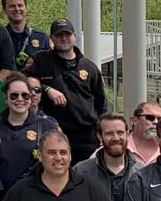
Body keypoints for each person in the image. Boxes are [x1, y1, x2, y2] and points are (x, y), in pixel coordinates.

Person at [30, 18, 107, 160]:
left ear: (74, 37)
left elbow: (101, 103)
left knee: (86, 176)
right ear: (51, 38)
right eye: (59, 35)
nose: (64, 38)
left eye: (67, 34)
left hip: (86, 136)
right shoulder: (40, 61)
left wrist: (103, 131)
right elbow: (22, 82)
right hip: (54, 131)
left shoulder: (89, 67)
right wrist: (47, 89)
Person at [0, 75, 60, 190]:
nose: (20, 99)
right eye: (14, 95)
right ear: (6, 98)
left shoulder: (47, 126)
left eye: (25, 95)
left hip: (38, 195)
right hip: (4, 198)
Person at [0, 0, 49, 73]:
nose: (17, 9)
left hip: (35, 83)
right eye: (12, 6)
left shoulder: (42, 38)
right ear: (4, 10)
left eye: (20, 5)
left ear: (26, 8)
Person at [125, 101, 161, 165]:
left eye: (160, 119)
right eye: (150, 117)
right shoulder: (119, 146)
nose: (156, 122)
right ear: (134, 120)